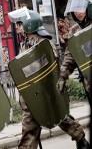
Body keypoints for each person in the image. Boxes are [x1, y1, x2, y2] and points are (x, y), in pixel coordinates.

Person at [8, 8, 89, 149]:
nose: (18, 27)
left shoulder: (44, 44)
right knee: (33, 127)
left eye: (20, 24)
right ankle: (80, 138)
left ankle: (80, 138)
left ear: (29, 24)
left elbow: (50, 69)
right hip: (33, 96)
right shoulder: (26, 43)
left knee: (58, 117)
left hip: (45, 93)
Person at [57, 0, 92, 105]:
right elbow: (70, 56)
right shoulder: (74, 31)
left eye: (81, 8)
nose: (78, 12)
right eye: (76, 9)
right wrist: (62, 77)